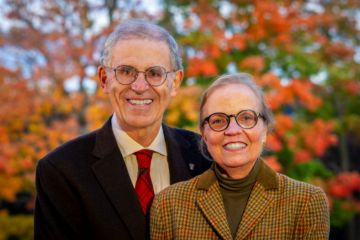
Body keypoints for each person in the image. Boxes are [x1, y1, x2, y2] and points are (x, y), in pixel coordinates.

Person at [34, 20, 211, 240]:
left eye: (154, 73)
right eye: (126, 71)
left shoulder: (206, 158)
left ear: (175, 82)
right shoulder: (61, 170)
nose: (139, 86)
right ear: (104, 79)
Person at [150, 73, 330, 239]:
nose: (233, 130)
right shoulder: (168, 205)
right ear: (204, 134)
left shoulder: (306, 202)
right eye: (218, 121)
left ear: (264, 129)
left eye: (246, 118)